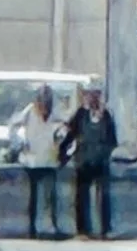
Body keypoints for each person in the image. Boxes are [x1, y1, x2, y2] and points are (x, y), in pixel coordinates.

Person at [62, 88, 120, 238]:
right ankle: (83, 229)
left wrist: (105, 152)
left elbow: (112, 139)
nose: (93, 98)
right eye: (90, 95)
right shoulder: (81, 114)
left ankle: (106, 228)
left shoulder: (106, 115)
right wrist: (63, 153)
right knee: (81, 195)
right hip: (84, 160)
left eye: (96, 95)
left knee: (104, 196)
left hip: (101, 161)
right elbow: (71, 134)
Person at [16, 84, 66, 238]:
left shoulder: (56, 113)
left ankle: (52, 226)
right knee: (33, 197)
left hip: (50, 159)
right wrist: (21, 143)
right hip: (32, 160)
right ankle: (32, 228)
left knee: (51, 197)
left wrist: (61, 142)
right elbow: (15, 128)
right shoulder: (29, 112)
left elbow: (64, 130)